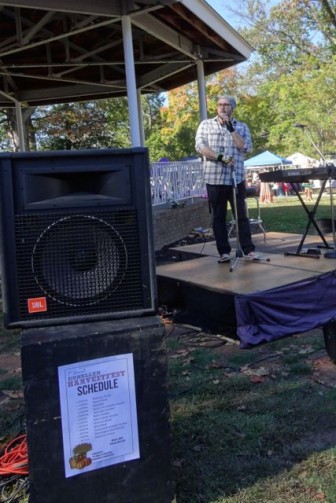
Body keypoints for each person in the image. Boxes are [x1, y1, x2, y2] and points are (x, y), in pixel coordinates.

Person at [195, 95, 256, 263]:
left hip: (236, 179)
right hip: (214, 179)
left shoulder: (241, 127)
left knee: (241, 216)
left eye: (226, 105)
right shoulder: (206, 125)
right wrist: (220, 157)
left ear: (232, 108)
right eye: (219, 104)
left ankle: (248, 249)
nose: (222, 107)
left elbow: (246, 147)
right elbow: (200, 146)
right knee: (218, 217)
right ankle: (224, 252)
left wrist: (231, 129)